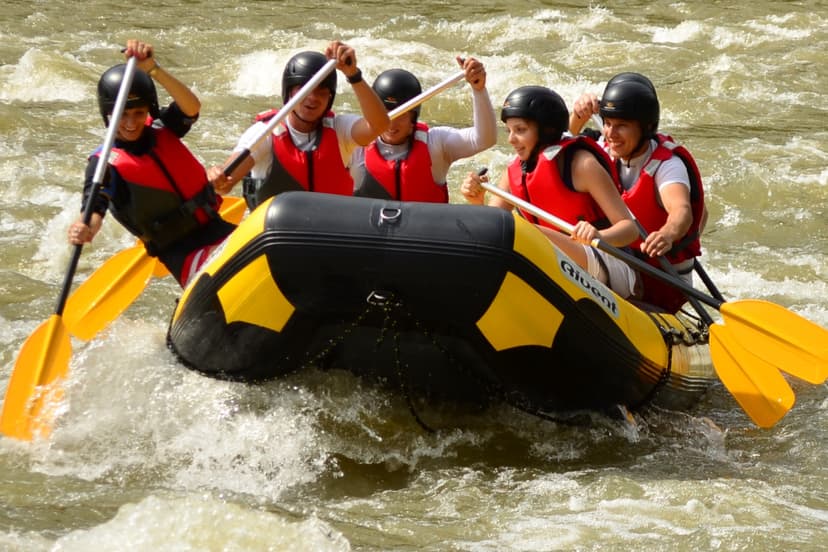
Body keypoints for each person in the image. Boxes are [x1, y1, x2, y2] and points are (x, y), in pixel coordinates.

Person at [68, 39, 235, 287]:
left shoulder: (161, 128)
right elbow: (94, 208)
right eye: (122, 114)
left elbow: (191, 107)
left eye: (138, 113)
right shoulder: (104, 164)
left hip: (216, 227)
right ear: (108, 115)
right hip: (181, 252)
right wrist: (85, 229)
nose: (131, 122)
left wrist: (153, 69)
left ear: (149, 110)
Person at [461, 86, 640, 299]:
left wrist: (598, 235)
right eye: (509, 130)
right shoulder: (514, 173)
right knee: (510, 234)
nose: (510, 139)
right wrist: (476, 201)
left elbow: (630, 229)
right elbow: (491, 228)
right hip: (556, 259)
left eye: (520, 130)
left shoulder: (581, 164)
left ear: (545, 130)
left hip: (611, 262)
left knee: (525, 233)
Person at [569, 72, 707, 312]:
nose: (611, 134)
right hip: (624, 265)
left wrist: (666, 234)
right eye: (608, 123)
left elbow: (681, 211)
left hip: (662, 282)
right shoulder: (604, 147)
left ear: (646, 128)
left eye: (621, 125)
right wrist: (577, 117)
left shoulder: (666, 165)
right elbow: (560, 148)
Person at [208, 41, 390, 210]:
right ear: (288, 92)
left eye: (321, 92)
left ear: (330, 98)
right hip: (278, 236)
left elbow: (379, 125)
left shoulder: (340, 130)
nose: (312, 98)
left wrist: (353, 75)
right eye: (303, 90)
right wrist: (218, 177)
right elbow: (227, 182)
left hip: (330, 233)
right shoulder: (265, 133)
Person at [351, 57, 497, 202]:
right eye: (386, 114)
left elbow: (484, 139)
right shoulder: (355, 144)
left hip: (425, 225)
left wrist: (478, 89)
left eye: (401, 115)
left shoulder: (435, 143)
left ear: (413, 117)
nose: (391, 124)